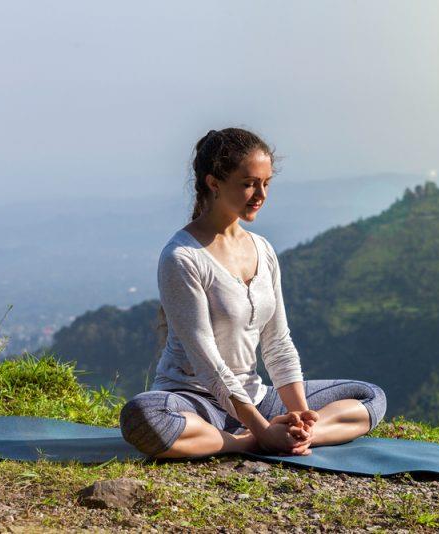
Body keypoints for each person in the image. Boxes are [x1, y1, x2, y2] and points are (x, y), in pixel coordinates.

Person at [119, 127, 387, 459]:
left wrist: (301, 417)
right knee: (143, 416)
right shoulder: (182, 257)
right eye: (248, 184)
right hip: (198, 402)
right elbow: (208, 365)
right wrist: (260, 431)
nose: (260, 193)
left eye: (266, 183)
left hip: (256, 398)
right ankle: (245, 442)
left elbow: (278, 343)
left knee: (369, 396)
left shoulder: (263, 250)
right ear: (213, 183)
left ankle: (301, 437)